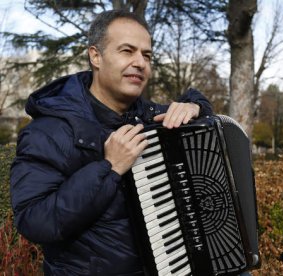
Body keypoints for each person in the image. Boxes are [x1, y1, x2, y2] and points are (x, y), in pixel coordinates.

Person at [10, 10, 213, 275]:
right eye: (127, 51)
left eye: (147, 55)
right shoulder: (47, 131)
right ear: (96, 56)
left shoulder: (154, 118)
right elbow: (34, 220)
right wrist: (109, 167)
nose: (140, 63)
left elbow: (202, 112)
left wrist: (196, 107)